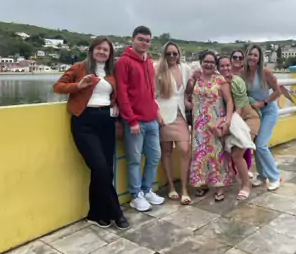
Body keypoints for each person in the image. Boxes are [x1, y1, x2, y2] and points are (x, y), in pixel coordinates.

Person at [53, 36, 129, 230]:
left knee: (106, 170)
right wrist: (78, 86)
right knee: (100, 167)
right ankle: (116, 213)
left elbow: (113, 95)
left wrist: (115, 106)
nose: (102, 52)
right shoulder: (80, 68)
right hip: (84, 122)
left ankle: (95, 214)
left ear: (110, 54)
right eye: (99, 48)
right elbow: (58, 87)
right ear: (92, 50)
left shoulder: (111, 72)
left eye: (106, 50)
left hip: (106, 121)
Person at [114, 26, 165, 213]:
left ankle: (146, 189)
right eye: (141, 39)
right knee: (134, 159)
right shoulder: (123, 62)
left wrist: (156, 112)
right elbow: (122, 94)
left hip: (152, 120)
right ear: (133, 39)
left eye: (147, 40)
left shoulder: (149, 62)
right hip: (135, 122)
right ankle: (136, 195)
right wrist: (131, 120)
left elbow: (151, 92)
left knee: (154, 156)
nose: (144, 43)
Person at [186, 50, 234, 201]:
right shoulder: (196, 78)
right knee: (199, 154)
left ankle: (220, 187)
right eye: (206, 61)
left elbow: (229, 101)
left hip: (215, 123)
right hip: (199, 125)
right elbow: (187, 93)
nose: (209, 64)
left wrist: (227, 120)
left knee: (217, 154)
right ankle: (202, 184)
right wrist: (188, 102)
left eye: (212, 62)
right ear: (201, 62)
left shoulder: (220, 80)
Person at [154, 41, 193, 205]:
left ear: (179, 54)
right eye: (168, 53)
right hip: (164, 114)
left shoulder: (185, 69)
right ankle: (171, 186)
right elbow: (152, 94)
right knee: (167, 151)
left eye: (174, 53)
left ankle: (184, 188)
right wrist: (157, 114)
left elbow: (189, 89)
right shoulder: (157, 69)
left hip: (181, 114)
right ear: (164, 54)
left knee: (185, 149)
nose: (171, 56)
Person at [216, 55, 259, 200]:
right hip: (233, 120)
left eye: (228, 65)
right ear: (218, 68)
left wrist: (227, 124)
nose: (225, 68)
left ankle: (246, 185)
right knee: (227, 151)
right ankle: (236, 176)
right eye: (222, 66)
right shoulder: (218, 82)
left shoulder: (237, 81)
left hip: (248, 119)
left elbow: (239, 108)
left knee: (237, 153)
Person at [244, 44, 282, 190]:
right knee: (256, 145)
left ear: (259, 58)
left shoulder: (265, 72)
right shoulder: (243, 73)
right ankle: (262, 176)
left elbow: (278, 92)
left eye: (255, 55)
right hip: (255, 113)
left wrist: (263, 102)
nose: (252, 57)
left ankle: (275, 177)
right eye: (250, 54)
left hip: (268, 111)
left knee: (261, 144)